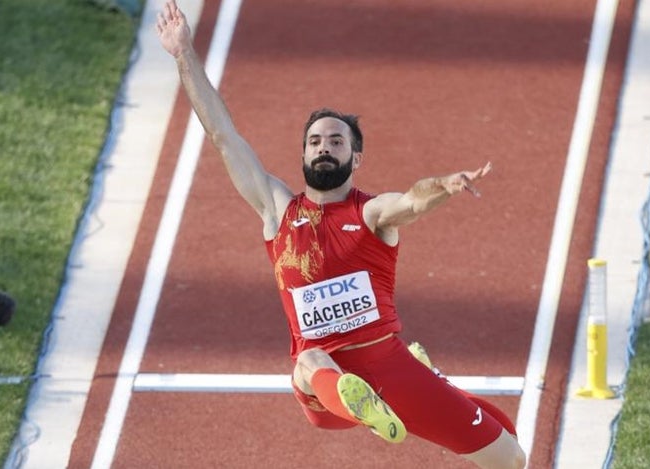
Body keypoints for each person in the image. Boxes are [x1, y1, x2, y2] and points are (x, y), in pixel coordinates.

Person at [156, 1, 525, 468]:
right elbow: (222, 135)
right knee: (307, 361)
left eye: (336, 141)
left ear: (356, 158)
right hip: (326, 386)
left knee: (511, 455)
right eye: (315, 141)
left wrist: (445, 186)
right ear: (304, 156)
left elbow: (411, 200)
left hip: (388, 366)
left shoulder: (371, 214)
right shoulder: (277, 210)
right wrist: (183, 53)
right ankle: (359, 401)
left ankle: (418, 382)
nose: (324, 148)